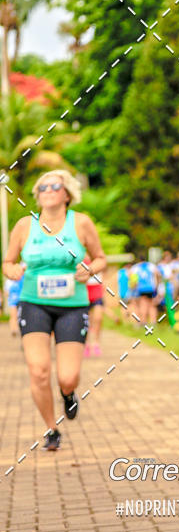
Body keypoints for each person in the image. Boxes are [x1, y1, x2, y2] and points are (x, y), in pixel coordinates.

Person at [2, 170, 106, 451]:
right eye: (43, 187)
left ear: (67, 194)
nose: (48, 190)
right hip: (33, 302)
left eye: (54, 186)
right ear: (37, 195)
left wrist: (90, 269)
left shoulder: (81, 223)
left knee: (67, 376)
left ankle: (68, 394)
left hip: (72, 305)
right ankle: (51, 428)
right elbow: (8, 262)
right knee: (38, 371)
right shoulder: (25, 225)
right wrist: (12, 271)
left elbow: (99, 258)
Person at [130, 256, 160, 325]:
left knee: (143, 305)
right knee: (152, 305)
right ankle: (153, 322)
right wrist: (157, 285)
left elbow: (132, 277)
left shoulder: (135, 267)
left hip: (141, 288)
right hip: (151, 288)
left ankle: (144, 321)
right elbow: (158, 274)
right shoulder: (151, 265)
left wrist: (133, 288)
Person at [84, 256, 104, 357]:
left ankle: (96, 342)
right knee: (85, 321)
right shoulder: (80, 259)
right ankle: (86, 343)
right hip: (85, 293)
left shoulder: (99, 259)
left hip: (97, 293)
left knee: (98, 318)